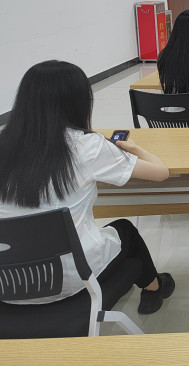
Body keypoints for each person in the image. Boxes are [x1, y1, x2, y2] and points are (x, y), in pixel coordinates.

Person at [0, 61, 175, 314]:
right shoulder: (87, 146)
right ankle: (154, 288)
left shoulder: (5, 144)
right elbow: (161, 173)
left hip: (8, 284)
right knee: (125, 230)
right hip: (71, 280)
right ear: (79, 101)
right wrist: (135, 148)